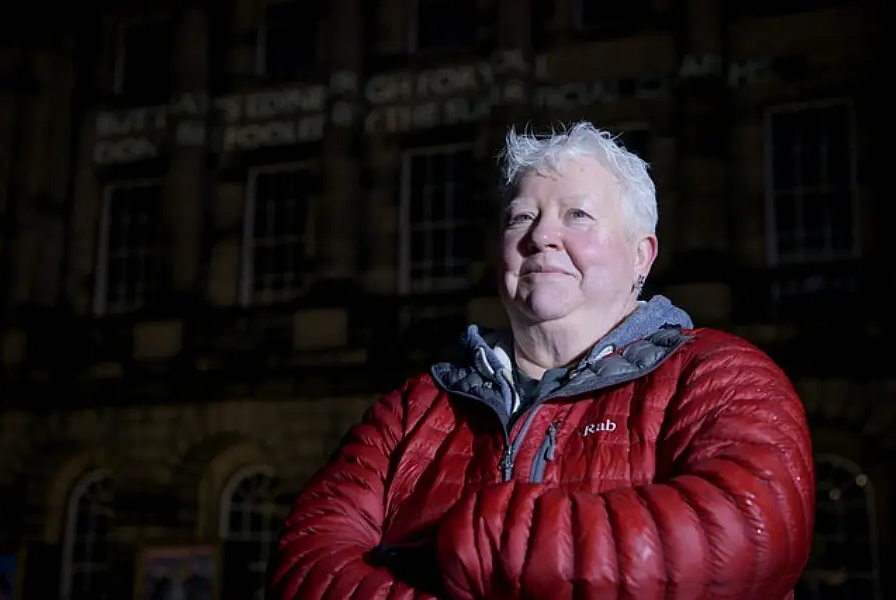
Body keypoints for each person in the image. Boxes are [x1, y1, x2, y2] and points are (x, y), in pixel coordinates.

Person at [266, 121, 815, 599]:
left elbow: (750, 533)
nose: (541, 236)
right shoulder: (413, 409)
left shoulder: (719, 374)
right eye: (520, 217)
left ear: (641, 255)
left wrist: (478, 538)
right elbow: (306, 563)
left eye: (577, 215)